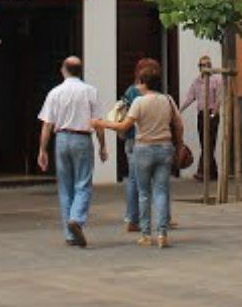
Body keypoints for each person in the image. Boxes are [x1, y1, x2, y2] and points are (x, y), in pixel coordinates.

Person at [94, 63, 183, 248]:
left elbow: (124, 126)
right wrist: (179, 145)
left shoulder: (139, 102)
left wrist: (101, 123)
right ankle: (162, 233)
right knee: (161, 191)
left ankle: (145, 234)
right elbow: (179, 124)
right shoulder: (168, 100)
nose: (138, 86)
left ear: (145, 83)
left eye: (140, 83)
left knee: (144, 193)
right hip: (165, 148)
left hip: (143, 149)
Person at [36, 57, 104, 247]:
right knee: (83, 183)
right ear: (80, 70)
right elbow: (97, 122)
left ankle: (69, 233)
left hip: (62, 139)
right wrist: (103, 145)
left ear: (63, 70)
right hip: (82, 138)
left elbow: (47, 124)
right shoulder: (90, 91)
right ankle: (76, 219)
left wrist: (42, 150)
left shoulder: (55, 93)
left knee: (65, 186)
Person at [117, 57, 158, 233]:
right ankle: (140, 218)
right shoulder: (153, 93)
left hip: (132, 139)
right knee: (148, 181)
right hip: (145, 139)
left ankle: (132, 218)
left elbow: (122, 112)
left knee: (134, 179)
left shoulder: (130, 91)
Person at [180, 55, 226, 184]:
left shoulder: (216, 80)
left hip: (211, 113)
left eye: (208, 65)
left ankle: (201, 172)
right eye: (202, 65)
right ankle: (213, 173)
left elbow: (219, 98)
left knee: (209, 142)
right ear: (199, 67)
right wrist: (179, 111)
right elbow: (190, 97)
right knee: (204, 143)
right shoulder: (196, 81)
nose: (205, 68)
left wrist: (214, 113)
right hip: (201, 114)